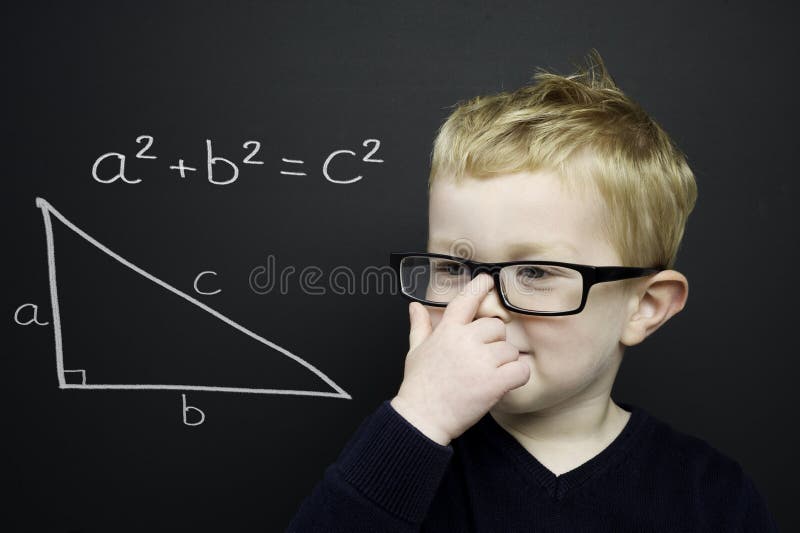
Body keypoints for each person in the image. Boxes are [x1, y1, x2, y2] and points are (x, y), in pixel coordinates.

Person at [285, 49, 780, 532]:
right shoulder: (403, 458)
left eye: (537, 272)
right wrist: (418, 418)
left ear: (644, 307)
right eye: (454, 268)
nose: (482, 305)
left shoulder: (710, 494)